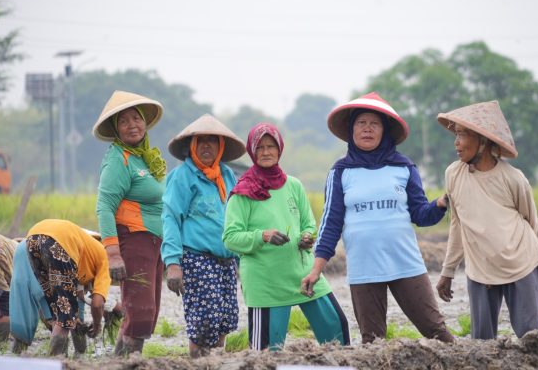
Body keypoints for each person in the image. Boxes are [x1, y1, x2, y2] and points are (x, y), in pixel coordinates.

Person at [301, 92, 454, 344]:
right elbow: (331, 225)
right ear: (351, 130)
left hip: (405, 264)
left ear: (385, 130)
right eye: (361, 123)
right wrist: (316, 269)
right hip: (364, 268)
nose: (367, 129)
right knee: (373, 342)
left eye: (374, 123)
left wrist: (439, 204)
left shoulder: (404, 167)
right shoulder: (341, 172)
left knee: (437, 332)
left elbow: (421, 215)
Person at [223, 122, 350, 351]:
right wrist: (263, 235)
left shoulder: (293, 185)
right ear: (252, 151)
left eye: (271, 146)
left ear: (279, 149)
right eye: (259, 147)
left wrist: (306, 237)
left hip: (303, 274)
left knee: (336, 329)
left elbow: (308, 224)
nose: (266, 152)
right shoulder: (243, 192)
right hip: (265, 282)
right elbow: (230, 238)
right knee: (267, 354)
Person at [435, 100, 538, 340]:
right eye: (455, 135)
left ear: (482, 141)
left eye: (461, 135)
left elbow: (530, 222)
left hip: (520, 264)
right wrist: (448, 271)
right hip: (480, 269)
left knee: (531, 339)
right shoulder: (454, 174)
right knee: (482, 345)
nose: (456, 143)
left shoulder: (513, 178)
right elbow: (458, 225)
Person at [161, 114, 246, 357]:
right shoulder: (183, 176)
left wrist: (242, 259)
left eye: (212, 141)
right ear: (191, 146)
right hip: (197, 259)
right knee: (204, 320)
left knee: (226, 318)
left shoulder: (227, 175)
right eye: (201, 141)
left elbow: (236, 218)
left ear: (220, 147)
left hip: (226, 260)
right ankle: (198, 361)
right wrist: (173, 263)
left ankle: (216, 362)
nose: (206, 146)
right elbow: (170, 218)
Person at [93, 90, 167, 355]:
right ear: (116, 129)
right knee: (140, 312)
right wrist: (112, 253)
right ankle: (126, 362)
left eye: (136, 119)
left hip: (155, 243)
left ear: (145, 123)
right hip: (134, 240)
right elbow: (104, 206)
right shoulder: (118, 159)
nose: (132, 125)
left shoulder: (142, 158)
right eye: (124, 121)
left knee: (149, 311)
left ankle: (122, 360)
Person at [15, 219, 111, 355]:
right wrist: (97, 326)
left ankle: (62, 356)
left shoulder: (85, 256)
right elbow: (97, 303)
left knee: (58, 311)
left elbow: (74, 299)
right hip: (58, 241)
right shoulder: (105, 260)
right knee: (65, 318)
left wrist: (75, 319)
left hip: (32, 238)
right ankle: (54, 362)